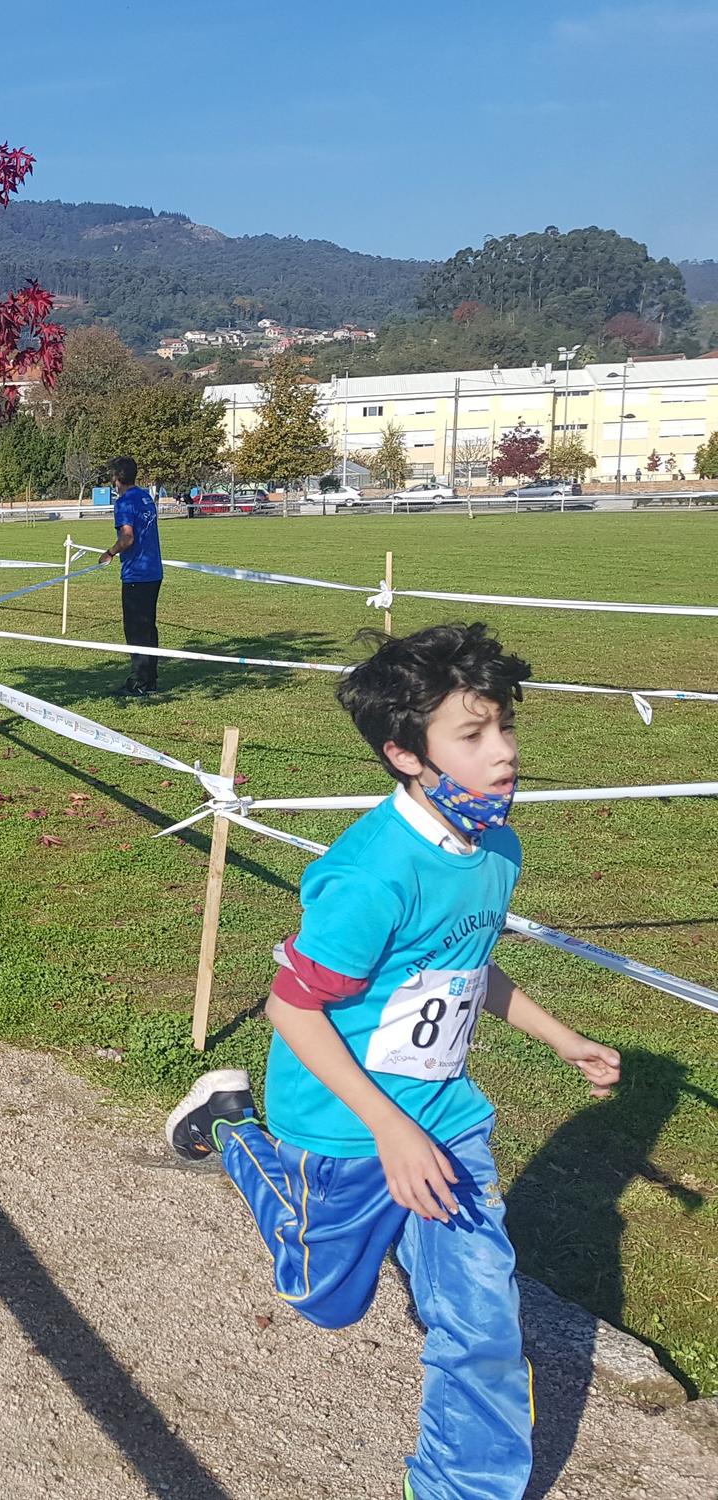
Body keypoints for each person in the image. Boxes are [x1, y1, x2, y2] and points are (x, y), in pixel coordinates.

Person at [165, 623, 622, 1500]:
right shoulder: (371, 875)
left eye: (506, 727)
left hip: (444, 1119)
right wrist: (387, 1130)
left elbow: (465, 964)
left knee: (482, 1318)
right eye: (474, 734)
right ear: (405, 754)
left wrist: (561, 1037)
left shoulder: (496, 848)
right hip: (336, 1129)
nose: (506, 753)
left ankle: (461, 1488)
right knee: (324, 1299)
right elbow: (289, 1008)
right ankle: (231, 1124)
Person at [95, 455, 162, 697]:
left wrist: (110, 553)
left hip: (137, 573)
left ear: (116, 478)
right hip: (154, 571)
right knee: (148, 627)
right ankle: (150, 678)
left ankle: (140, 682)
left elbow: (128, 537)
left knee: (136, 629)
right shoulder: (146, 497)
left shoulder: (124, 502)